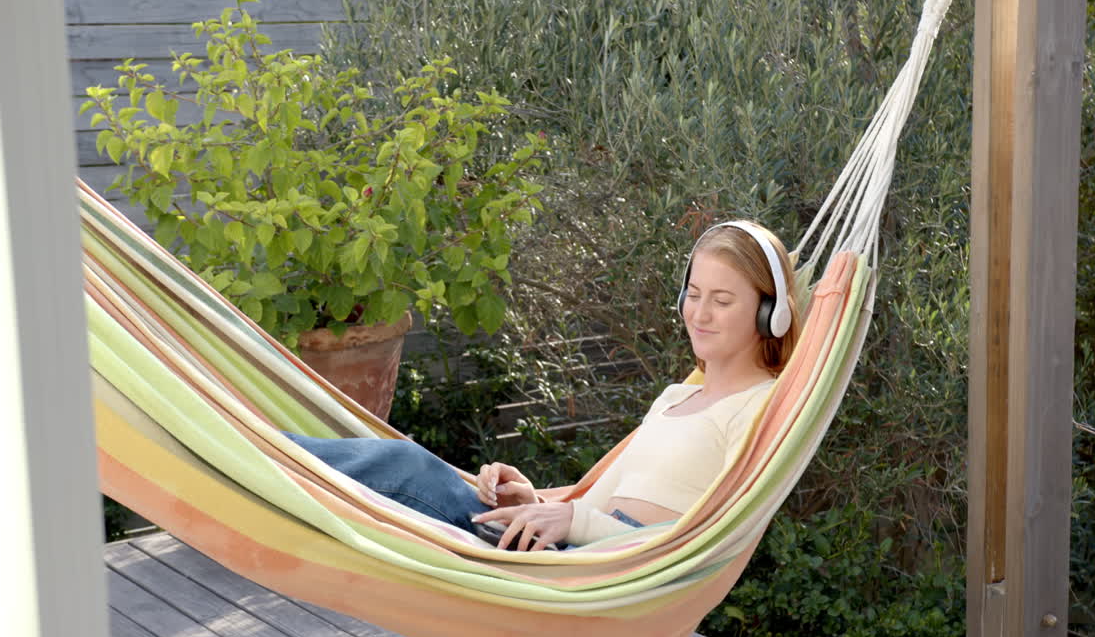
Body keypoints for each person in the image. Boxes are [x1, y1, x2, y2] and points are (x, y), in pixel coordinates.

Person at [284, 220, 801, 551]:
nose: (699, 314)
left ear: (767, 314)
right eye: (692, 293)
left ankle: (258, 453)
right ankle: (260, 453)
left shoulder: (760, 409)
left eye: (723, 300)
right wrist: (531, 499)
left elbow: (707, 543)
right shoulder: (677, 396)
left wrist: (573, 522)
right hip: (563, 550)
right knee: (415, 465)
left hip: (600, 571)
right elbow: (595, 503)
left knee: (408, 468)